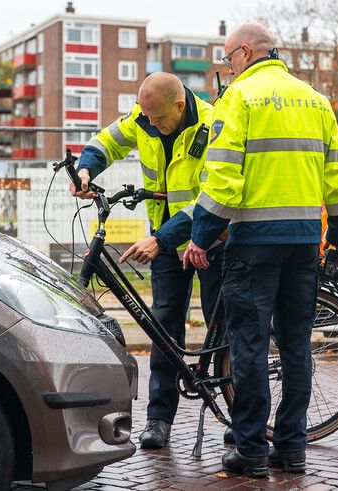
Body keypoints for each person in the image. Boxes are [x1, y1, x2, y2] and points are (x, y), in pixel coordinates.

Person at [183, 22, 338, 477]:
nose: (227, 68)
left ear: (243, 52)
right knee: (297, 345)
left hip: (254, 244)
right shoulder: (315, 101)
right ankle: (292, 449)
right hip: (302, 242)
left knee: (250, 346)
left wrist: (201, 237)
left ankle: (252, 451)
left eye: (227, 59)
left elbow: (222, 177)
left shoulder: (239, 98)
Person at [70, 72, 225, 449]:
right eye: (146, 117)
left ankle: (238, 416)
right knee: (163, 325)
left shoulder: (212, 124)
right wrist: (87, 168)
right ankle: (159, 420)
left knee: (223, 326)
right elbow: (108, 140)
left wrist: (161, 239)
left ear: (178, 104)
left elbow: (208, 198)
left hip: (208, 239)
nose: (150, 125)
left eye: (158, 119)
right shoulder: (144, 116)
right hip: (166, 242)